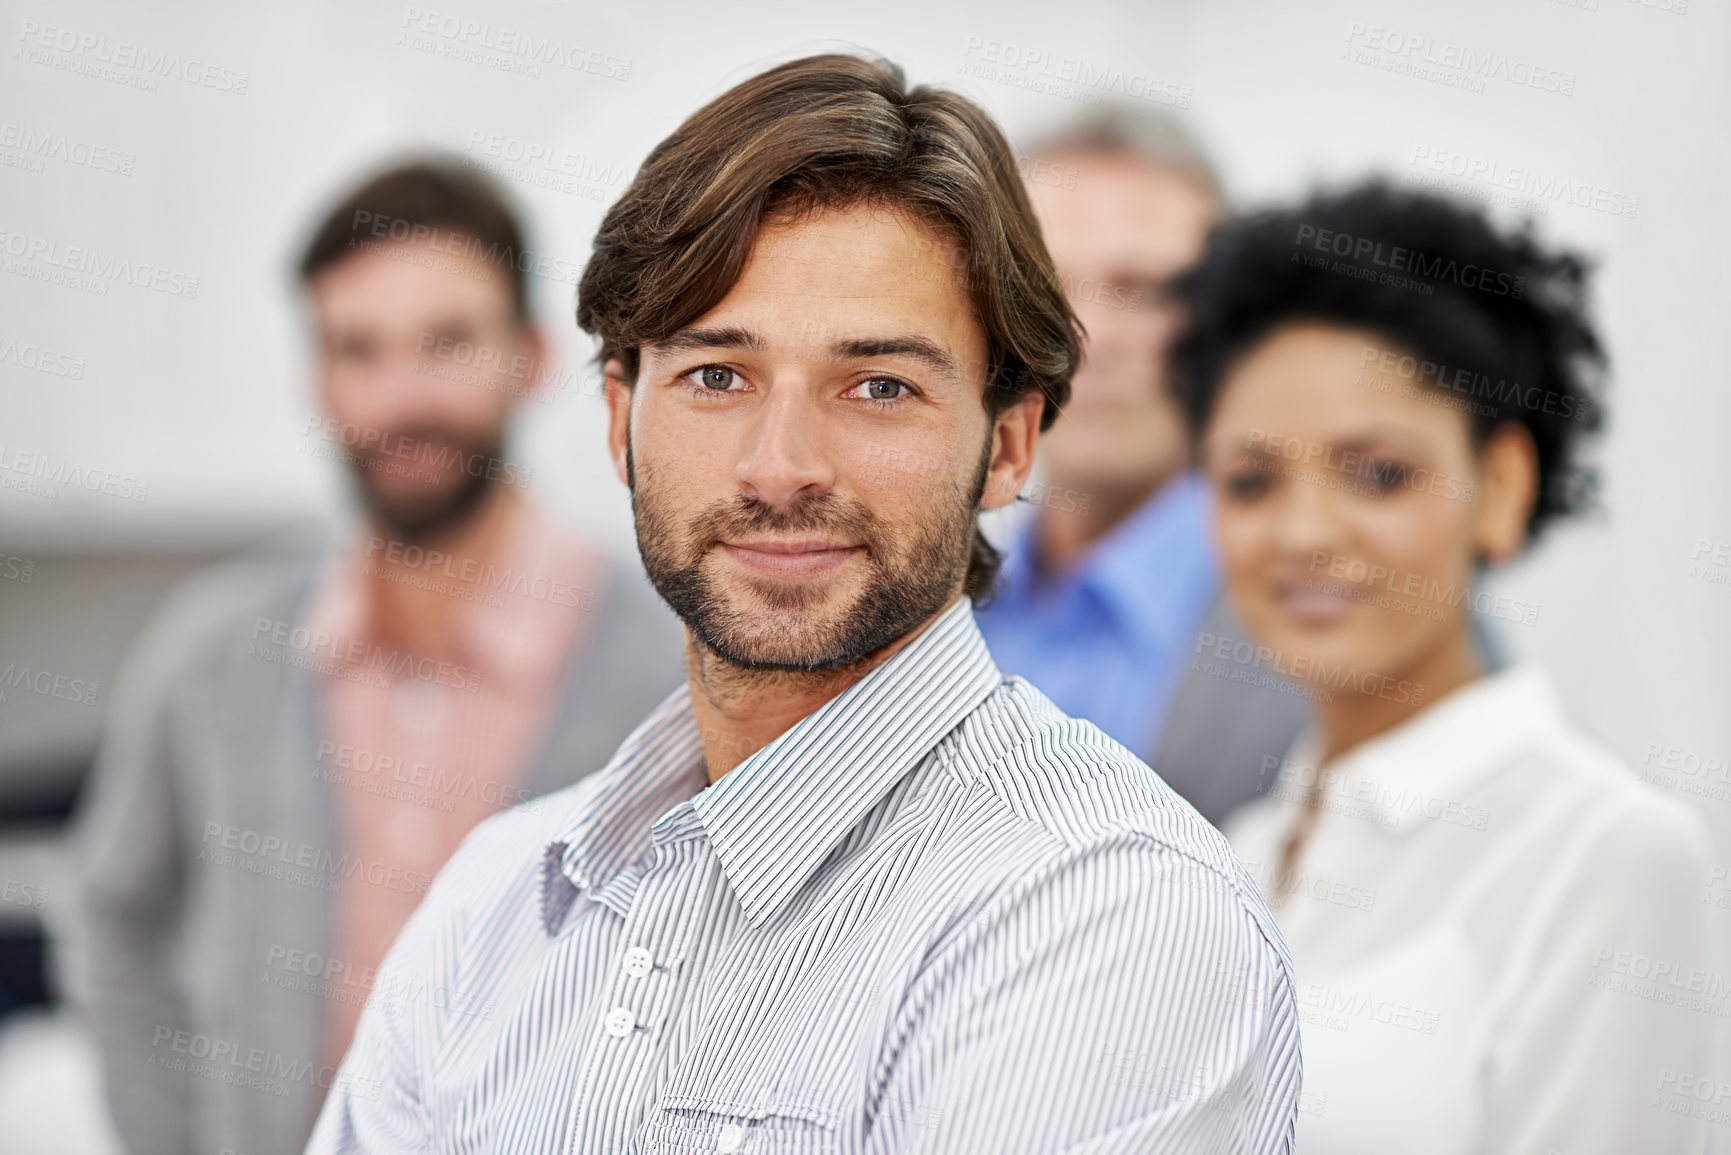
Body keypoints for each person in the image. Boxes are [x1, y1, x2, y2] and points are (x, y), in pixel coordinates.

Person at [308, 54, 1300, 1154]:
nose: (780, 468)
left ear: (1009, 443)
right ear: (617, 419)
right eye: (717, 376)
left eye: (879, 386)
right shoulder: (493, 904)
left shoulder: (1106, 916)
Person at [54, 161, 684, 1155]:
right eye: (358, 349)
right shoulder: (218, 651)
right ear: (319, 379)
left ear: (525, 356)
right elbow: (107, 912)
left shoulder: (671, 662)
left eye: (446, 342)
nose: (401, 398)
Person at [1169, 181, 1718, 1152]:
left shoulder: (1607, 850)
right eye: (1251, 480)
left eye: (1379, 473)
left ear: (1499, 487)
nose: (1302, 533)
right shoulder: (1239, 850)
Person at [975, 107, 1308, 825]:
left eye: (1148, 290)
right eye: (1042, 284)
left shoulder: (1357, 626)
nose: (1087, 337)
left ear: (1232, 329)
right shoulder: (925, 599)